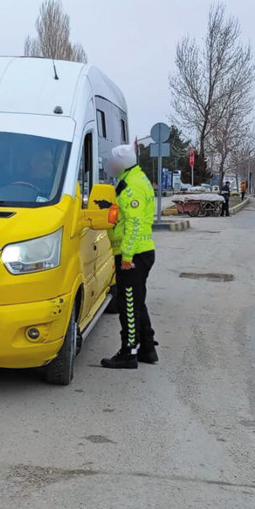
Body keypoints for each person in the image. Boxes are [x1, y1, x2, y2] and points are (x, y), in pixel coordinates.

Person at [101, 143, 158, 369]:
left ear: (122, 163)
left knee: (128, 305)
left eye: (113, 161)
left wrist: (126, 256)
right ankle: (147, 349)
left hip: (133, 255)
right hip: (141, 252)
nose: (110, 165)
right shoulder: (136, 178)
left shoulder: (131, 186)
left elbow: (134, 223)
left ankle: (129, 352)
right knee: (137, 303)